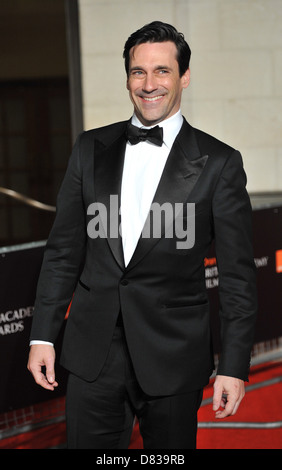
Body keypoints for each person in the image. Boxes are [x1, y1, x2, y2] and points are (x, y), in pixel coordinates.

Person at [27, 21, 257, 449]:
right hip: (92, 353)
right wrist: (42, 335)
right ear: (128, 77)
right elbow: (62, 252)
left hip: (173, 354)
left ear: (184, 76)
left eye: (162, 71)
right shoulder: (89, 148)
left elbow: (239, 277)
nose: (149, 84)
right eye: (138, 72)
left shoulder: (220, 163)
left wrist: (235, 365)